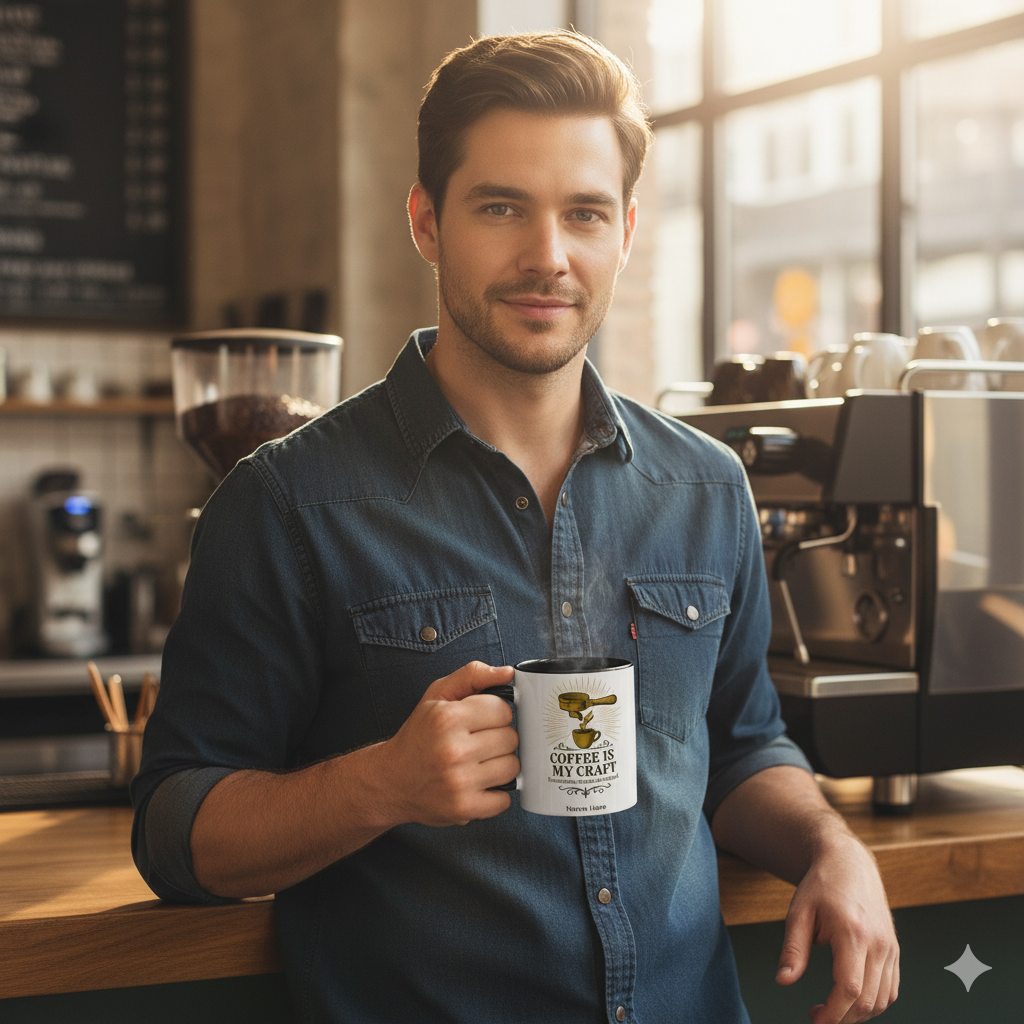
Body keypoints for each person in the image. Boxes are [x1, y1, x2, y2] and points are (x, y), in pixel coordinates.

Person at [132, 31, 899, 1024]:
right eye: (501, 207)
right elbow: (174, 828)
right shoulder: (285, 503)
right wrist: (383, 784)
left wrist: (833, 846)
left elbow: (743, 748)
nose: (548, 256)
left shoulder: (708, 487)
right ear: (426, 222)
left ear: (625, 230)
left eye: (584, 213)